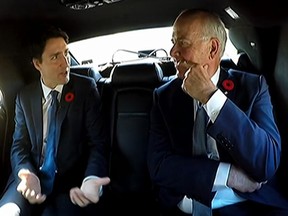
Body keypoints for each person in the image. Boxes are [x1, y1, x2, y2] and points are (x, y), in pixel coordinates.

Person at [147, 8, 288, 216]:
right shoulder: (164, 96)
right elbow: (158, 166)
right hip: (183, 206)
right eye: (173, 42)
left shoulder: (253, 87)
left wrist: (211, 97)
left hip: (243, 207)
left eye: (183, 43)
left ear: (213, 49)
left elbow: (266, 164)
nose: (173, 52)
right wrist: (228, 175)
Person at [0, 25, 110, 216]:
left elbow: (97, 143)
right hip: (30, 177)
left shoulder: (85, 90)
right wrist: (25, 173)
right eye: (55, 57)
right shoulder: (24, 97)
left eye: (66, 53)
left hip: (69, 183)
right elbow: (19, 146)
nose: (65, 63)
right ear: (37, 64)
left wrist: (91, 177)